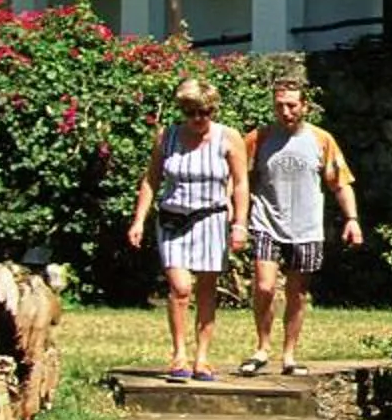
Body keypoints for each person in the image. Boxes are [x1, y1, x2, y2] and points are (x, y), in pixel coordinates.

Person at [126, 76, 252, 381]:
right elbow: (151, 180)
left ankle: (202, 357)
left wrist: (240, 224)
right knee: (181, 288)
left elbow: (241, 182)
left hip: (211, 218)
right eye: (191, 112)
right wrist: (139, 219)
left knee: (207, 289)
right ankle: (179, 353)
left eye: (205, 113)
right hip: (173, 219)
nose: (198, 119)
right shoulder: (166, 137)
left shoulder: (228, 137)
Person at [241, 78, 362, 376]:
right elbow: (240, 180)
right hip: (266, 221)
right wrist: (238, 219)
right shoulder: (258, 138)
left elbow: (340, 183)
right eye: (279, 105)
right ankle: (262, 348)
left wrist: (352, 220)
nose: (285, 111)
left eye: (292, 105)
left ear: (304, 106)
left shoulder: (321, 140)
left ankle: (289, 355)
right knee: (265, 286)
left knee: (297, 293)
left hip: (306, 227)